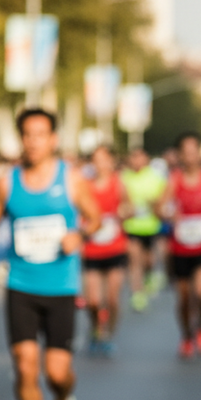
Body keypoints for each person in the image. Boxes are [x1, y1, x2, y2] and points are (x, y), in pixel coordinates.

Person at [0, 108, 100, 400]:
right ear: (21, 139)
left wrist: (78, 234)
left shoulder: (71, 178)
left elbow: (95, 218)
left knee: (57, 373)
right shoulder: (6, 182)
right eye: (27, 134)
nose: (33, 141)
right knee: (25, 365)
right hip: (21, 284)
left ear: (53, 139)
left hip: (61, 286)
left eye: (40, 134)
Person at [161, 131, 201, 358]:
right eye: (185, 152)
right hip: (181, 247)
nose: (190, 156)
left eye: (194, 151)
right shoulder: (174, 179)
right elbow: (160, 208)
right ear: (179, 155)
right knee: (185, 298)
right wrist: (169, 214)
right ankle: (186, 335)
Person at [81, 145, 128, 354]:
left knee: (112, 299)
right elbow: (78, 213)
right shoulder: (85, 186)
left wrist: (124, 212)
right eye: (95, 159)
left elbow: (130, 207)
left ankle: (108, 333)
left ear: (111, 161)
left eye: (103, 159)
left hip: (115, 247)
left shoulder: (119, 184)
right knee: (93, 301)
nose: (100, 164)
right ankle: (95, 328)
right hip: (92, 248)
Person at [121, 147, 167, 311]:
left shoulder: (155, 177)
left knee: (148, 260)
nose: (137, 161)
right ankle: (137, 293)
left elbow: (162, 199)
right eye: (134, 158)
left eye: (140, 158)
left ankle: (149, 276)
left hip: (150, 225)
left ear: (146, 159)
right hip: (132, 226)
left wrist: (153, 203)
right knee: (134, 260)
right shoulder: (124, 177)